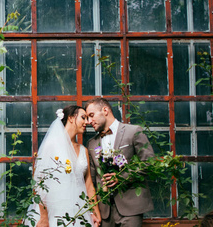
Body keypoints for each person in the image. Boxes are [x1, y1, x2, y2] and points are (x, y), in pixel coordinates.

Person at [26, 105, 101, 227]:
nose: (87, 122)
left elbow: (88, 184)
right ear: (71, 118)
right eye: (83, 117)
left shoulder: (83, 150)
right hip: (54, 212)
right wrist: (44, 217)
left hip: (80, 211)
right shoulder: (51, 146)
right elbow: (39, 182)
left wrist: (95, 212)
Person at [85, 97, 154, 227]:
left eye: (91, 115)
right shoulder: (91, 143)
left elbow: (149, 163)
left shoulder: (133, 131)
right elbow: (92, 181)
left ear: (105, 110)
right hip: (104, 212)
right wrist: (93, 210)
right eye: (87, 117)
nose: (89, 121)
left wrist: (122, 177)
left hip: (131, 207)